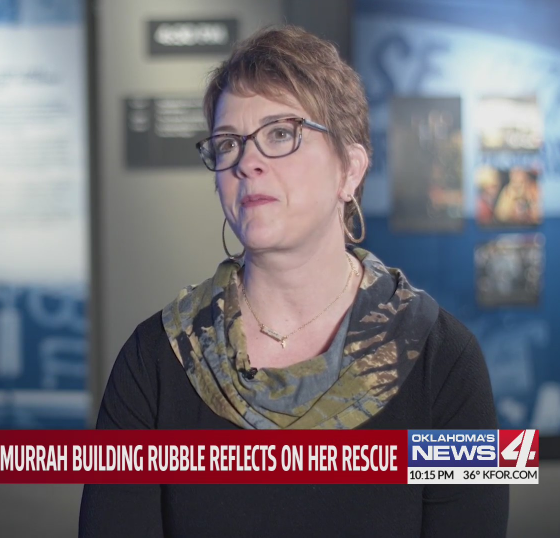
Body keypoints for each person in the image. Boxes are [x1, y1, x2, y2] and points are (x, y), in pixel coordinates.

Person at [79, 25, 508, 537]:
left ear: (349, 170)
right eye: (228, 142)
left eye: (281, 133)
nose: (248, 162)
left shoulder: (443, 359)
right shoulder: (158, 358)